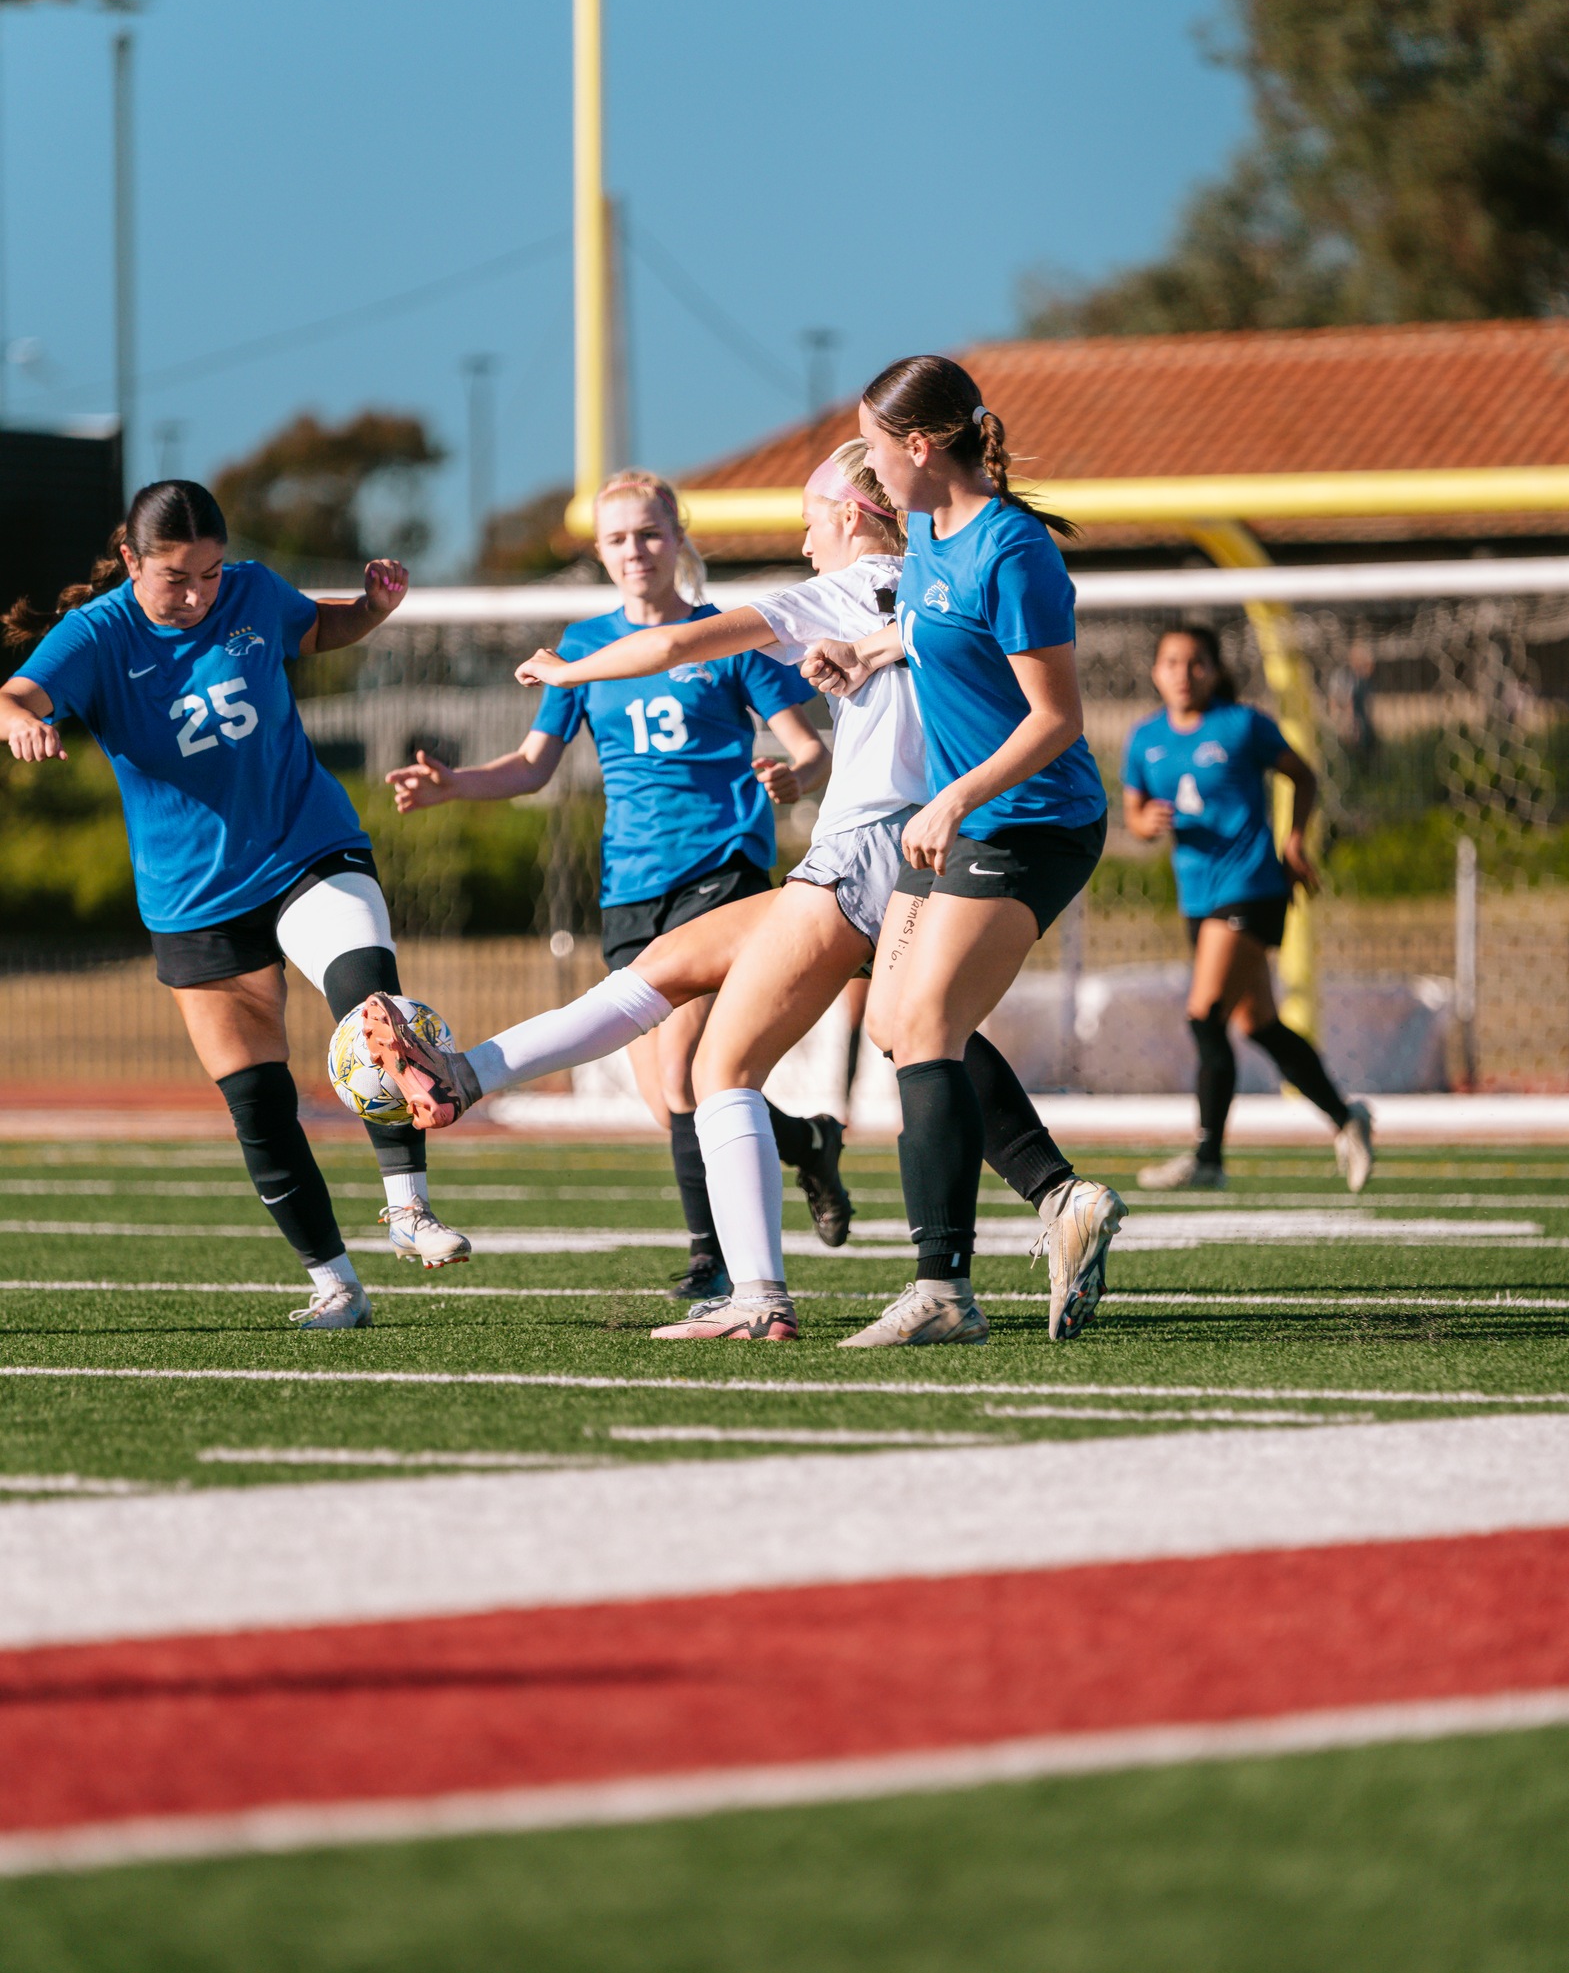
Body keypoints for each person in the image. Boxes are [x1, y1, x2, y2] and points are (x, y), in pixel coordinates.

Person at [365, 441, 1099, 1340]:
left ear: (850, 515)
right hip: (911, 839)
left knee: (725, 1067)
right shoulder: (937, 582)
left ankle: (758, 1295)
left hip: (866, 844)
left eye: (807, 521)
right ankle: (1055, 1192)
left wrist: (567, 669)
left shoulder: (847, 587)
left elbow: (678, 642)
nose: (803, 542)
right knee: (781, 999)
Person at [0, 480, 468, 1330]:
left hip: (305, 845)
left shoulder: (252, 591)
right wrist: (19, 720)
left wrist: (371, 609)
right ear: (131, 560)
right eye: (176, 578)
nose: (198, 595)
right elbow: (15, 695)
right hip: (194, 897)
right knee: (257, 1102)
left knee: (376, 1012)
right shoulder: (97, 633)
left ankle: (409, 1205)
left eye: (210, 573)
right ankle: (335, 1285)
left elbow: (318, 628)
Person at [383, 467, 836, 1298]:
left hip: (721, 869)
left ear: (678, 537)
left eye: (651, 533)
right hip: (631, 885)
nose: (637, 550)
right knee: (667, 1101)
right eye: (619, 538)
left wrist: (793, 777)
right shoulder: (585, 646)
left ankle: (712, 1260)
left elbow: (809, 747)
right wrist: (454, 783)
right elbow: (532, 766)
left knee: (684, 1073)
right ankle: (806, 1142)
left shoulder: (724, 635)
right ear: (599, 550)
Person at [798, 355, 1127, 1349]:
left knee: (927, 1024)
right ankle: (1062, 1197)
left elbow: (1056, 718)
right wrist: (866, 652)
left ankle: (942, 1288)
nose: (866, 469)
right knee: (895, 1027)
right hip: (960, 818)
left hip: (1032, 820)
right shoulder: (931, 534)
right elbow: (936, 629)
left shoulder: (1013, 547)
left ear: (919, 444)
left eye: (873, 446)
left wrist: (955, 796)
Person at [1122, 623, 1374, 1192]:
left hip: (1251, 885)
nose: (1184, 674)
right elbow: (1134, 813)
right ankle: (1346, 1118)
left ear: (1215, 670)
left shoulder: (1241, 725)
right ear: (1155, 672)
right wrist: (1144, 822)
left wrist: (1294, 841)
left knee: (1204, 1013)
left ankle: (1208, 1158)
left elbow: (1302, 775)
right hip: (1197, 895)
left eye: (1196, 662)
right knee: (1256, 1023)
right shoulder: (1144, 739)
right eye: (1171, 662)